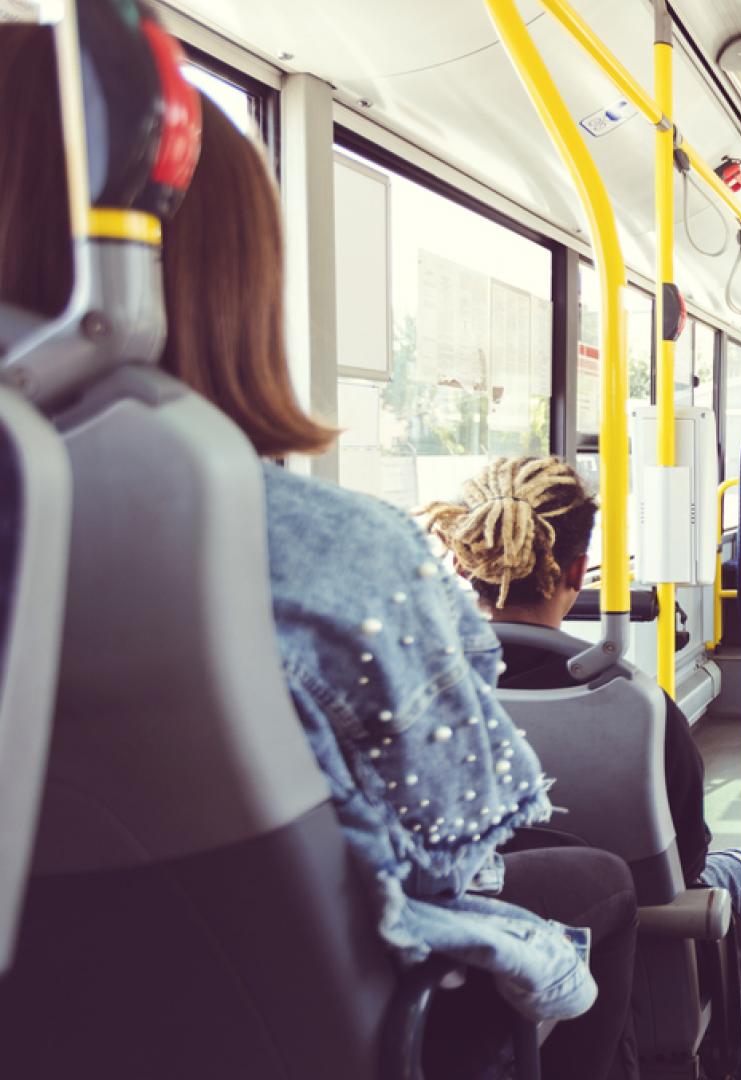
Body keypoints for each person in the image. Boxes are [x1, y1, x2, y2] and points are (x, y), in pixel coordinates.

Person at [0, 41, 640, 1077]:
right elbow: (454, 854)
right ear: (225, 285)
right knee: (594, 885)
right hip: (284, 1027)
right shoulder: (337, 563)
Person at [423, 456, 741, 1080]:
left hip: (476, 925)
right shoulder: (634, 705)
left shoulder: (422, 697)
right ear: (579, 572)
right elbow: (686, 864)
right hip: (644, 926)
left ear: (465, 565)